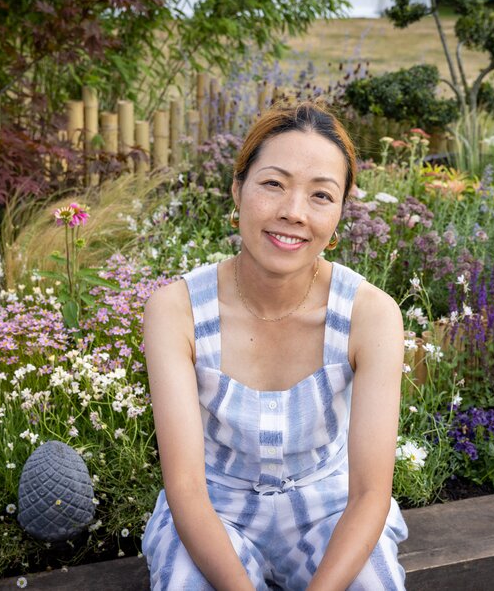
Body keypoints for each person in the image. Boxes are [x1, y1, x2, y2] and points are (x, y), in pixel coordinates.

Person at [141, 101, 408, 590]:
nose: (293, 212)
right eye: (273, 184)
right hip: (213, 510)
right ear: (238, 189)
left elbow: (370, 492)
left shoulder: (370, 315)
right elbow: (185, 488)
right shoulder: (175, 310)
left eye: (321, 195)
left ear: (342, 210)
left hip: (330, 509)